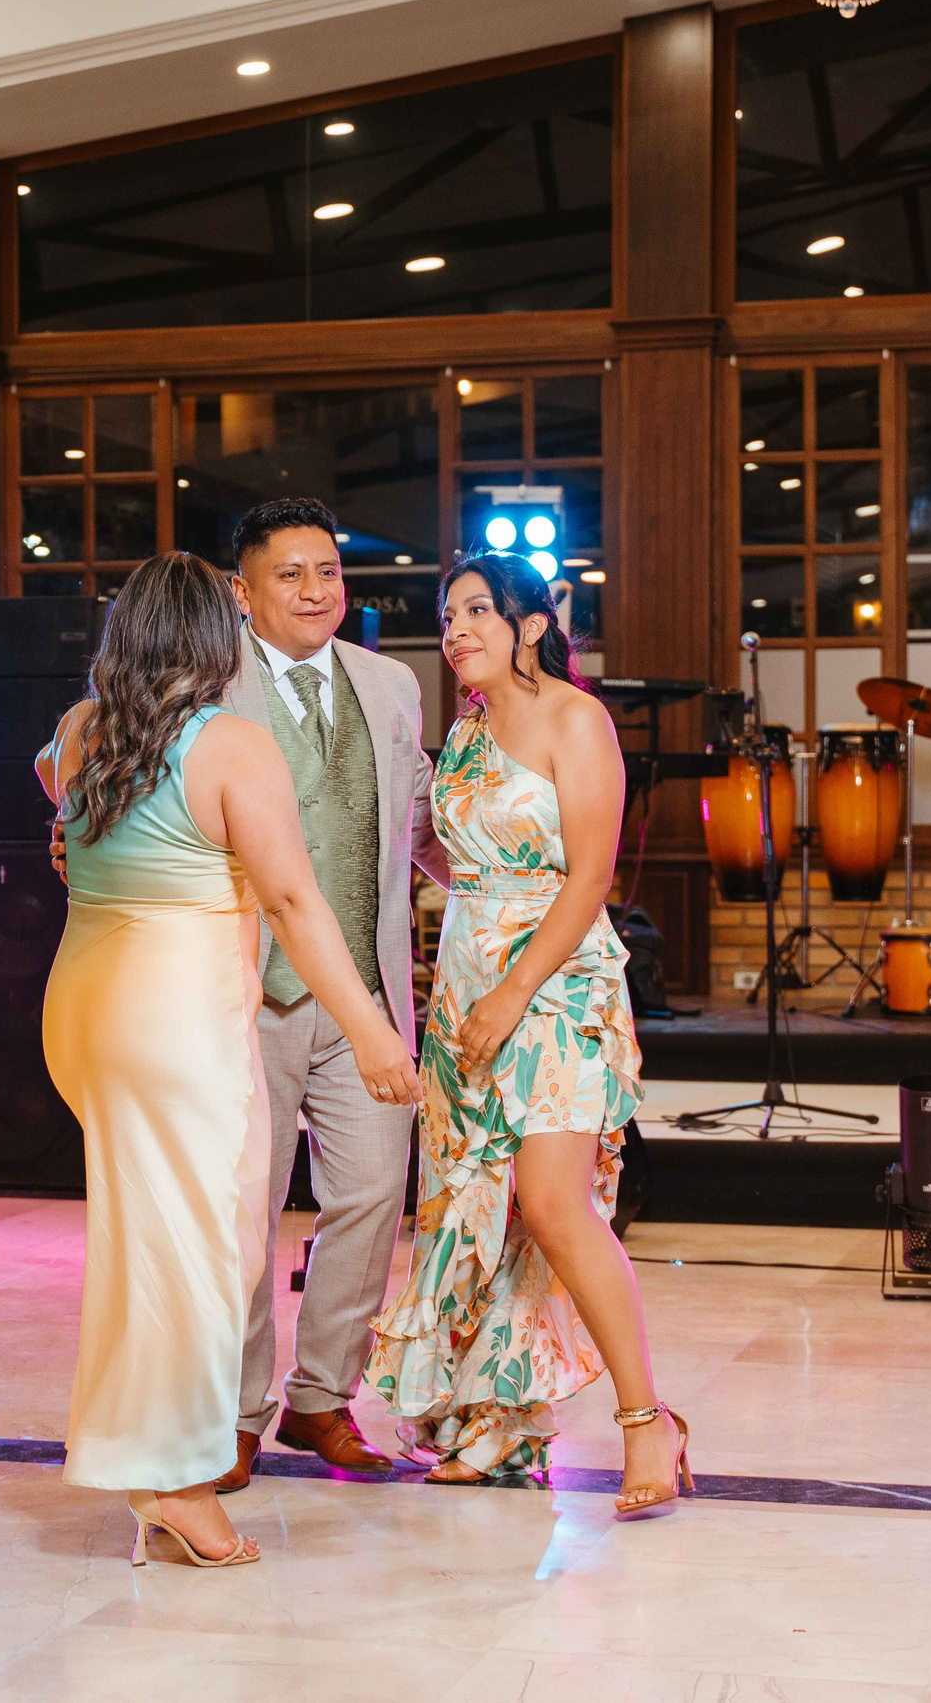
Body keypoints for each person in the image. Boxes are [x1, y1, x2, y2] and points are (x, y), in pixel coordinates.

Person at [38, 551, 421, 1569]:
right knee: (201, 1253)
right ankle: (172, 1482)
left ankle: (156, 1458)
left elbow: (53, 788)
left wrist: (77, 840)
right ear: (216, 636)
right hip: (175, 1015)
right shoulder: (232, 743)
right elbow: (296, 903)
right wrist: (374, 1032)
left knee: (154, 1239)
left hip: (86, 999)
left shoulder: (87, 730)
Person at [366, 553, 690, 1518]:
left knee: (552, 1203)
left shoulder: (575, 720)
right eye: (448, 612)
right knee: (474, 1207)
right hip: (466, 982)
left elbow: (590, 876)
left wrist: (510, 991)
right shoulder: (464, 732)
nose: (457, 628)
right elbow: (447, 852)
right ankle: (496, 1429)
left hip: (555, 986)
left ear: (533, 625)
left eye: (477, 611)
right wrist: (422, 855)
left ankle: (647, 1421)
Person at [213, 496, 447, 1492]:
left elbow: (422, 818)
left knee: (368, 1198)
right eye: (290, 576)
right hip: (246, 996)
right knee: (246, 1212)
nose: (315, 593)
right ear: (242, 592)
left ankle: (320, 1400)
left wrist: (508, 884)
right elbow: (82, 747)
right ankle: (232, 1413)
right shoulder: (202, 680)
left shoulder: (391, 684)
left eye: (328, 574)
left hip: (368, 996)